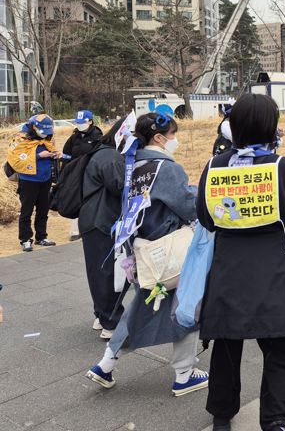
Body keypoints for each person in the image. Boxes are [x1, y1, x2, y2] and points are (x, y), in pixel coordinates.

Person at [197, 94, 285, 431]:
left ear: (234, 126)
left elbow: (206, 219)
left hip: (228, 269)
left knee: (226, 345)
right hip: (274, 269)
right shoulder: (282, 167)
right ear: (271, 127)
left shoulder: (214, 166)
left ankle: (222, 415)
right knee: (281, 346)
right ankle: (278, 420)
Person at [86, 113, 209, 397]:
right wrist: (197, 191)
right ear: (159, 137)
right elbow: (188, 207)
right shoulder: (166, 168)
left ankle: (106, 363)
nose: (174, 140)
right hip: (169, 250)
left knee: (141, 307)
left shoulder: (134, 164)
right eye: (173, 134)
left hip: (143, 250)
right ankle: (184, 374)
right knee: (188, 307)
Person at [79, 119, 125, 340]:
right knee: (105, 272)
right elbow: (120, 186)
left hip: (94, 219)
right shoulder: (111, 157)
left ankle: (102, 315)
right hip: (101, 220)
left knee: (99, 271)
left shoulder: (103, 152)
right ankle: (111, 323)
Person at [7, 114, 61, 252]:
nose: (45, 135)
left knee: (43, 210)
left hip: (45, 178)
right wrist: (38, 155)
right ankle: (25, 239)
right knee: (27, 211)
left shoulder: (48, 138)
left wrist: (55, 155)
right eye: (43, 132)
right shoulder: (20, 139)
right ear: (34, 127)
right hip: (28, 180)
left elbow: (51, 148)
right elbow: (16, 160)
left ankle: (41, 236)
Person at [63, 109, 104, 240]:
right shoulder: (74, 137)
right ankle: (75, 231)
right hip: (75, 173)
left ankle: (92, 226)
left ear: (90, 122)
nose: (80, 125)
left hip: (90, 174)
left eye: (83, 123)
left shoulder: (98, 136)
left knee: (90, 200)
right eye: (78, 123)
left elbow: (101, 156)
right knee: (76, 199)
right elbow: (66, 154)